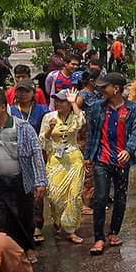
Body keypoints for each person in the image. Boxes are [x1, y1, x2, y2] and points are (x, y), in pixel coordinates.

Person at [0, 91, 47, 263]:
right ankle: (5, 254)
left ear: (2, 106)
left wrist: (40, 181)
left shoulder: (23, 128)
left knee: (24, 218)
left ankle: (27, 249)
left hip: (20, 182)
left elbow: (36, 154)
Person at [84, 72, 136, 256]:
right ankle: (99, 238)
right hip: (102, 160)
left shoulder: (132, 109)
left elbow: (135, 132)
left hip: (122, 161)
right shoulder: (97, 108)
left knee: (120, 197)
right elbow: (91, 133)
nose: (101, 90)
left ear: (116, 89)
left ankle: (114, 232)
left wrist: (129, 149)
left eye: (104, 87)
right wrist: (88, 156)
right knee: (100, 198)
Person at [39, 90, 86, 245]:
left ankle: (71, 230)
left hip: (74, 159)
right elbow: (42, 142)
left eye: (62, 101)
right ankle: (58, 222)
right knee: (54, 196)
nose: (58, 103)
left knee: (74, 195)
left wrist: (74, 102)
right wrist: (50, 130)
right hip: (55, 160)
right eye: (57, 101)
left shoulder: (75, 116)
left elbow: (81, 121)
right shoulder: (48, 117)